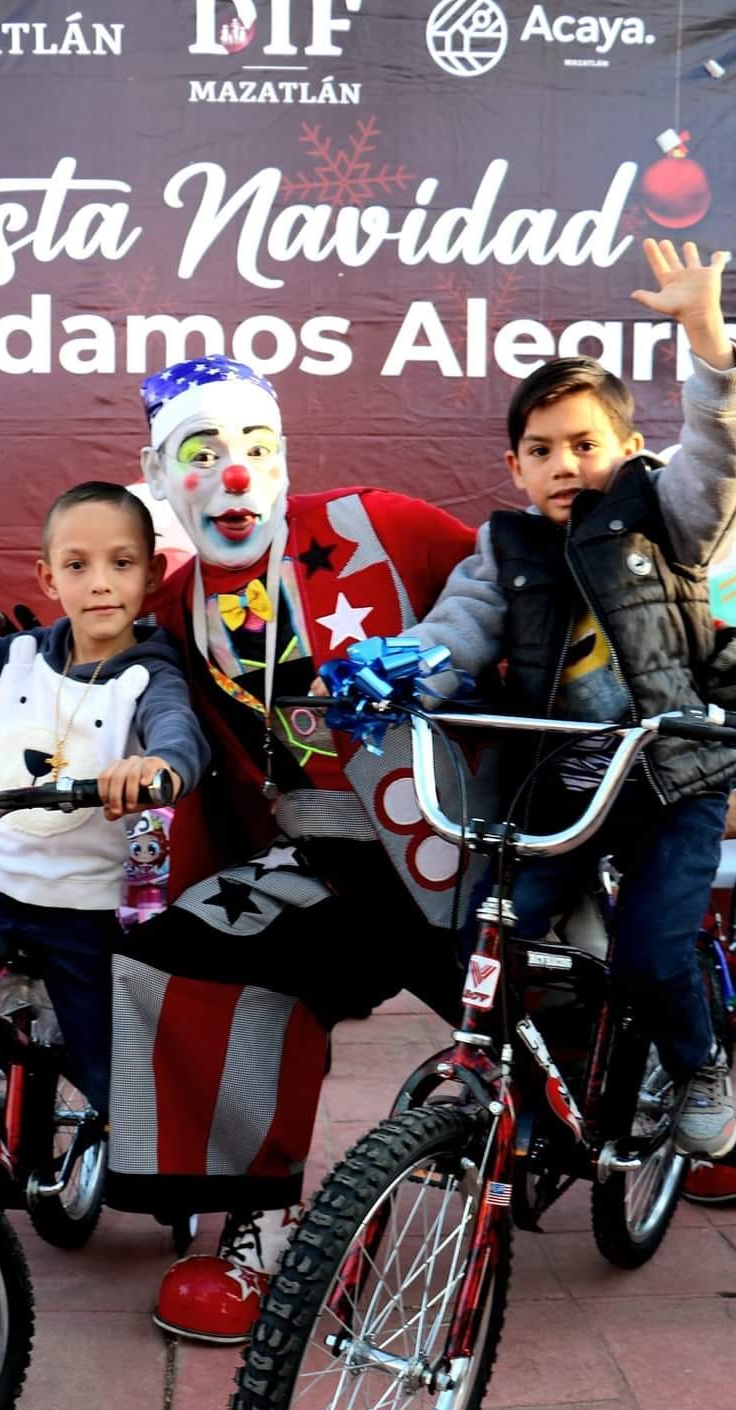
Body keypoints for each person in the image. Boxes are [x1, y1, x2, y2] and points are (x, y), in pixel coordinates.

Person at [102, 355, 498, 1342]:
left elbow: (515, 588)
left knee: (570, 1033)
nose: (234, 476)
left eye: (256, 448)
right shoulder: (174, 611)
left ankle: (683, 1123)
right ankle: (261, 1212)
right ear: (161, 476)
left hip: (472, 849)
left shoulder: (377, 525)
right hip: (331, 866)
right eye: (202, 453)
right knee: (183, 958)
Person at [410, 238, 736, 1164]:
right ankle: (523, 1100)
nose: (564, 464)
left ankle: (696, 1070)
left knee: (652, 954)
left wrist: (710, 344)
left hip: (670, 783)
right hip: (560, 796)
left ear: (628, 451)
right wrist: (395, 670)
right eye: (541, 451)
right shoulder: (505, 549)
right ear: (516, 467)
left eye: (585, 444)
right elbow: (459, 630)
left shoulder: (659, 516)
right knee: (483, 947)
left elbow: (719, 465)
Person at [0, 474, 210, 1116]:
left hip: (79, 911)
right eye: (77, 565)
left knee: (105, 1075)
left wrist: (156, 767)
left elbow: (180, 739)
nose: (99, 582)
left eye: (121, 564)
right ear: (47, 578)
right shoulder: (19, 655)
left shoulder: (151, 672)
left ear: (151, 575)